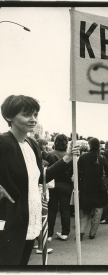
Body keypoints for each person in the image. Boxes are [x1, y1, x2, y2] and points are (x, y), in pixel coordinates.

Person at [0, 95, 79, 265]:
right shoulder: (3, 142)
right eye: (27, 115)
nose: (33, 119)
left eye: (35, 115)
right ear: (9, 117)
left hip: (32, 218)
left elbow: (41, 178)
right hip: (11, 220)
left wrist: (68, 158)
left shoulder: (32, 143)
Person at [77, 137, 108, 240]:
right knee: (98, 211)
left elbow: (78, 173)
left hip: (85, 188)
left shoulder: (83, 158)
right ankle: (92, 233)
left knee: (85, 211)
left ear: (89, 145)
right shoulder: (102, 158)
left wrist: (79, 186)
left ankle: (81, 231)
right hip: (99, 189)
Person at [46, 134, 73, 241]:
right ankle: (65, 232)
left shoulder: (50, 155)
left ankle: (48, 234)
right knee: (65, 209)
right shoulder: (69, 156)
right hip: (66, 185)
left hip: (52, 184)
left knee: (51, 210)